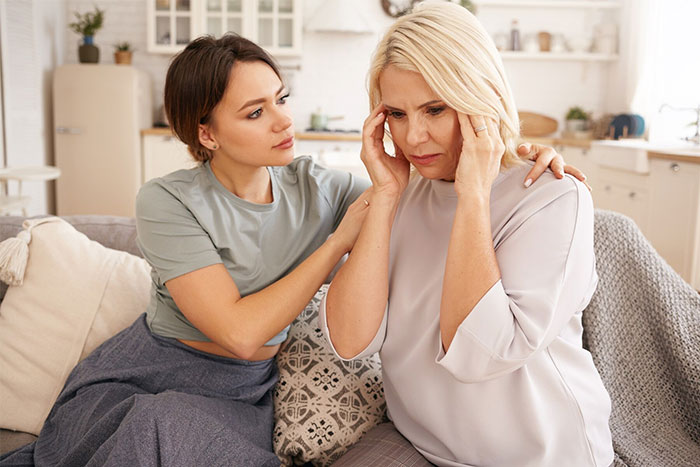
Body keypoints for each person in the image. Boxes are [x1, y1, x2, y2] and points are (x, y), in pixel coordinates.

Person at [0, 33, 581, 466]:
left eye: (282, 99)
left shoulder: (322, 187)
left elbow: (422, 192)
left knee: (174, 431)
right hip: (156, 368)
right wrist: (335, 244)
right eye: (256, 112)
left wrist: (514, 151)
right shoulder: (166, 200)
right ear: (207, 133)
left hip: (246, 389)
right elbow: (239, 333)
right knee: (149, 423)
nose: (284, 121)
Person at [322, 2, 613, 467]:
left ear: (480, 97)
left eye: (435, 109)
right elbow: (350, 341)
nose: (413, 137)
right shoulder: (397, 194)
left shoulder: (552, 197)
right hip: (422, 442)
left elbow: (480, 356)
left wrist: (473, 194)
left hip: (536, 455)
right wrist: (386, 197)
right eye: (396, 113)